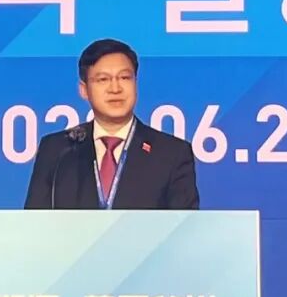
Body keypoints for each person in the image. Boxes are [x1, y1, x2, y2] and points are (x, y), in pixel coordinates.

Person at [24, 38, 200, 210]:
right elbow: (34, 223)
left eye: (124, 77)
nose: (115, 89)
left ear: (135, 83)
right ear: (84, 90)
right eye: (103, 79)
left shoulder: (172, 154)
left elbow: (184, 227)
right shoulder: (58, 151)